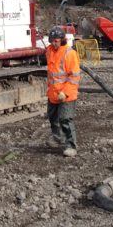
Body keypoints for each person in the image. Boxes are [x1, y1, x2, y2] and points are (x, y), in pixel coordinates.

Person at [45, 25, 81, 157]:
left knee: (65, 119)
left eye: (57, 40)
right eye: (52, 40)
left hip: (66, 94)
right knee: (53, 118)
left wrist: (65, 92)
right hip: (53, 93)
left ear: (62, 40)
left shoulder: (69, 53)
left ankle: (71, 146)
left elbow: (74, 76)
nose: (54, 43)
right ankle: (58, 138)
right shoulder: (49, 51)